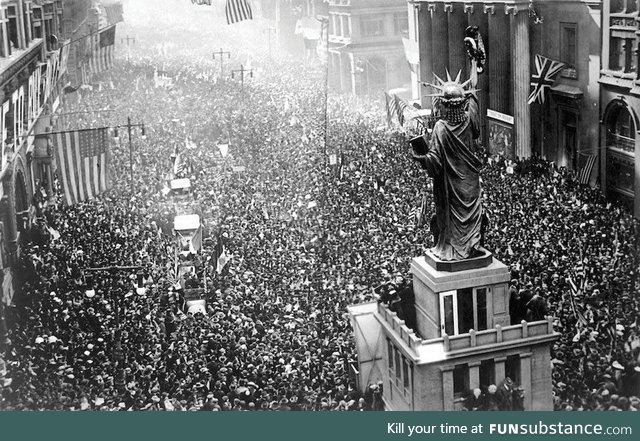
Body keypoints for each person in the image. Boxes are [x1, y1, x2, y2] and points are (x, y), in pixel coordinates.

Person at [412, 65, 483, 261]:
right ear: (463, 103)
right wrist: (474, 63)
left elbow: (434, 162)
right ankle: (471, 244)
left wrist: (421, 158)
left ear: (443, 104)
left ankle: (454, 247)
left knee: (451, 219)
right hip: (470, 183)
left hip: (450, 186)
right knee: (471, 216)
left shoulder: (440, 128)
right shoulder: (470, 121)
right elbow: (474, 94)